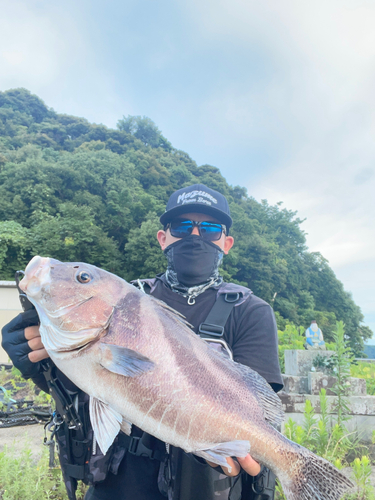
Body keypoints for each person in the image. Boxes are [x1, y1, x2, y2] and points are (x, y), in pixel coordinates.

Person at [2, 183, 283, 500]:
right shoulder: (127, 296)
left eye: (209, 228)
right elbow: (90, 394)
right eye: (181, 226)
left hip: (206, 488)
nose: (195, 236)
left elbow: (260, 414)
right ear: (163, 238)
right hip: (120, 484)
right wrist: (43, 370)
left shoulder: (251, 311)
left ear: (227, 242)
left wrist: (245, 461)